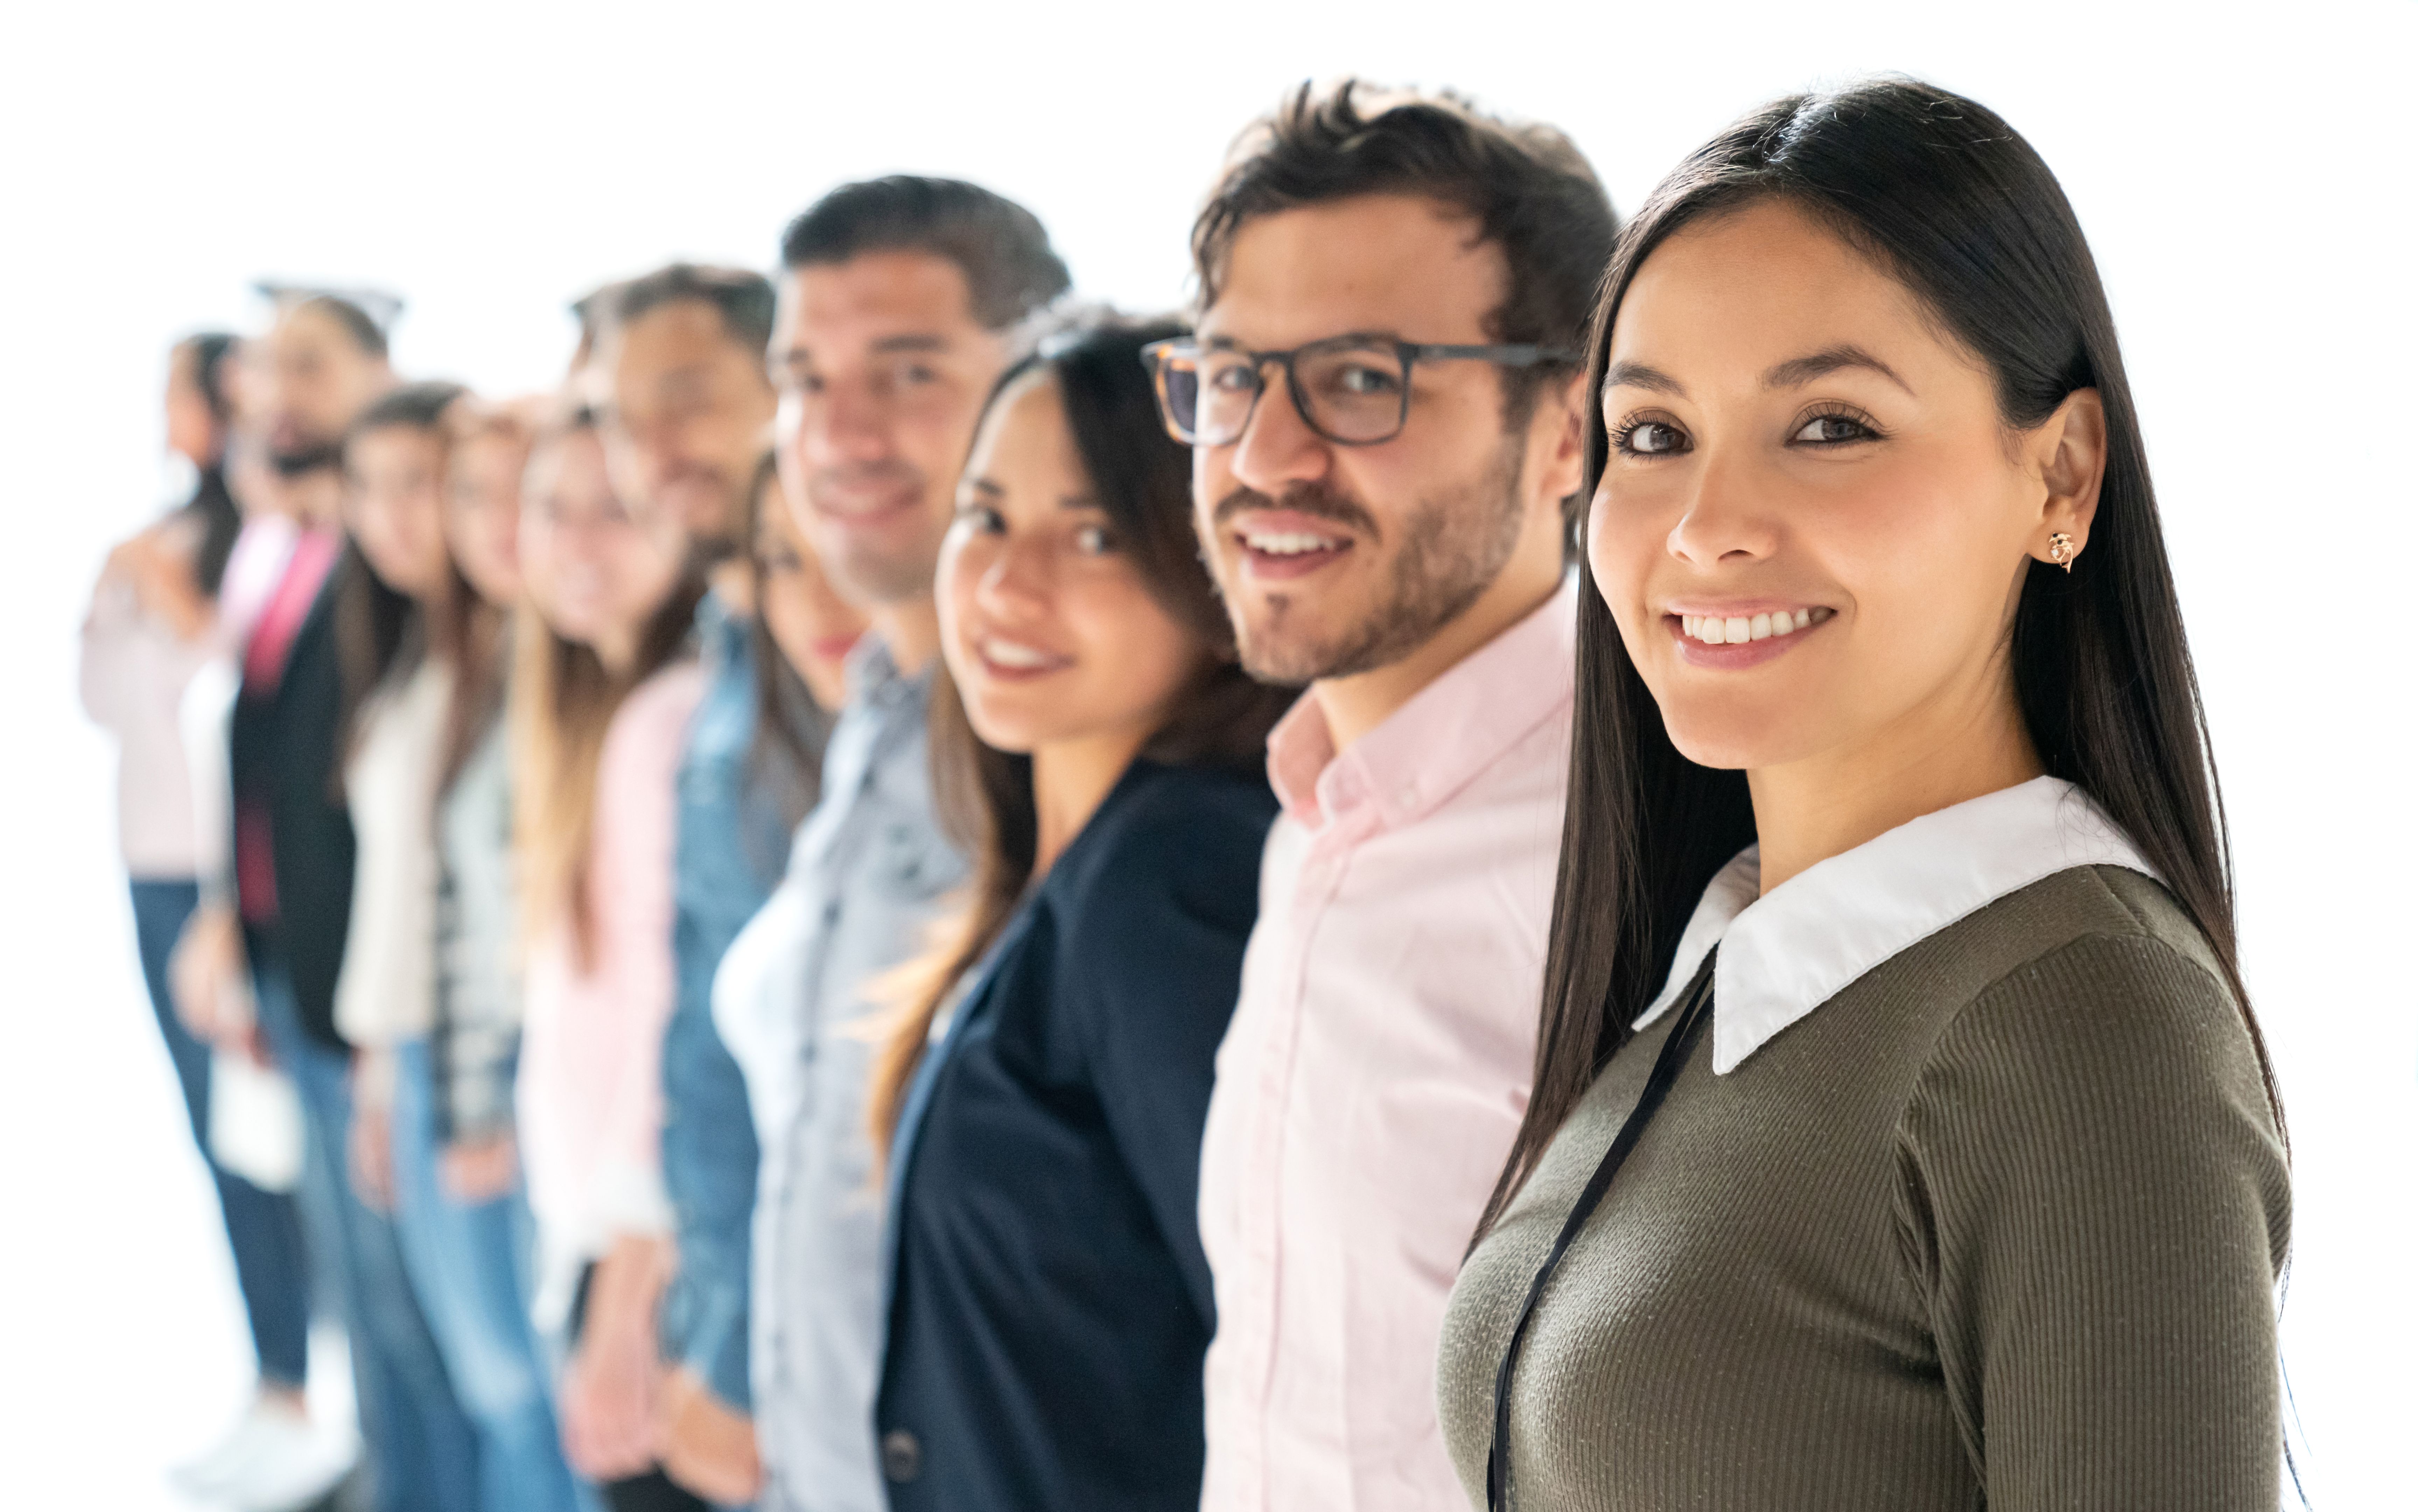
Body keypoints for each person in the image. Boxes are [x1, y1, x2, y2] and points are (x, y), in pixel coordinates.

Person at [1435, 80, 2291, 1511]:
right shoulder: (1717, 974)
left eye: (1830, 426)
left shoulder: (2080, 1022)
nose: (1707, 530)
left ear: (2061, 470)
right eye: (1653, 436)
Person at [1147, 83, 1615, 1512]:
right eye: (1233, 378)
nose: (1266, 456)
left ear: (1568, 431)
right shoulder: (1313, 814)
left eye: (1363, 380)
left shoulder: (1642, 854)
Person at [869, 318, 1291, 1510]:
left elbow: (1271, 1366)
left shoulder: (1170, 881)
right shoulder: (1060, 862)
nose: (1007, 582)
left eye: (1095, 534)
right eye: (986, 517)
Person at [717, 174, 1068, 1512]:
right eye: (804, 377)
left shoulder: (1071, 761)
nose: (838, 432)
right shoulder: (867, 715)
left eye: (906, 371)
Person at [183, 291, 491, 1512]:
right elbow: (264, 767)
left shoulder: (413, 581)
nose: (277, 392)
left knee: (429, 1332)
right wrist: (231, 920)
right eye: (266, 367)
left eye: (312, 365)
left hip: (387, 1018)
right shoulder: (281, 546)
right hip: (306, 980)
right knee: (373, 1314)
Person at [334, 382, 584, 1512]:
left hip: (514, 1098)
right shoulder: (477, 658)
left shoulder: (563, 675)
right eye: (472, 494)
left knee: (535, 1410)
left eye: (515, 495)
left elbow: (532, 935)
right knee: (500, 1401)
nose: (491, 524)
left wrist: (485, 1106)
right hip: (455, 1072)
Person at [80, 331, 318, 1502]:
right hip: (156, 869)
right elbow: (99, 700)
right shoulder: (163, 540)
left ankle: (298, 1389)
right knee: (217, 1131)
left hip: (222, 880)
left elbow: (232, 689)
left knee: (260, 1136)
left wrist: (152, 583)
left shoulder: (251, 549)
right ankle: (275, 1383)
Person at [587, 265, 800, 1501]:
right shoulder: (723, 671)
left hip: (785, 1363)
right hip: (714, 1307)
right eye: (622, 417)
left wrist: (732, 1364)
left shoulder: (830, 683)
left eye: (686, 400)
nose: (651, 450)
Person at [508, 409, 708, 1509]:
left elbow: (671, 1018)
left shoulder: (670, 717)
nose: (577, 544)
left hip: (651, 1248)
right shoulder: (599, 702)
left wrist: (626, 1297)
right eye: (552, 509)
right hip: (602, 1227)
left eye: (617, 511)